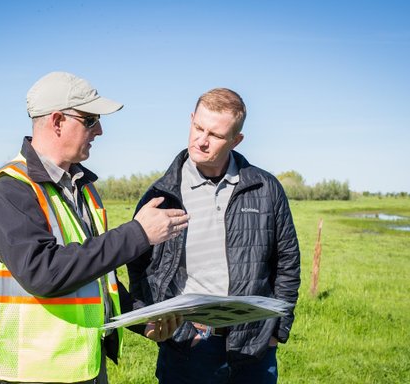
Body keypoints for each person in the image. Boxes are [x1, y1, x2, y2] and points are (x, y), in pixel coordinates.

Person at [0, 71, 188, 384]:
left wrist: (141, 320)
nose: (100, 130)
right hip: (29, 374)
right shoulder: (9, 191)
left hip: (82, 369)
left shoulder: (80, 187)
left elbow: (95, 276)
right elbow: (44, 273)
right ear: (57, 121)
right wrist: (138, 234)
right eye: (90, 120)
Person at [127, 88, 301, 384]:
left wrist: (275, 333)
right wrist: (165, 329)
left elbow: (287, 263)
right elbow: (140, 269)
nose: (201, 141)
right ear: (191, 119)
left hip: (253, 350)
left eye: (216, 135)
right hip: (188, 349)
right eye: (198, 127)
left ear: (236, 140)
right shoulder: (160, 195)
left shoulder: (266, 188)